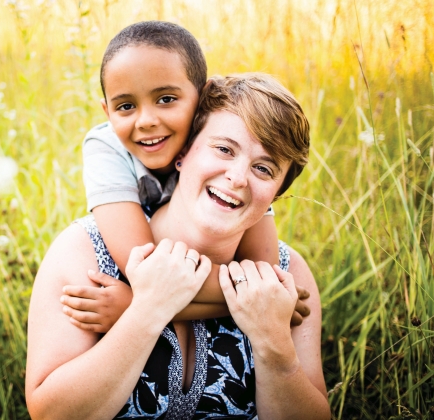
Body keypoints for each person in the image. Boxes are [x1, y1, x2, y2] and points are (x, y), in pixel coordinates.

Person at [25, 74, 329, 419]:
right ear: (182, 152)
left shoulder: (288, 279)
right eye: (224, 149)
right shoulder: (87, 254)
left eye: (263, 168)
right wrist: (146, 310)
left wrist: (275, 348)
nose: (237, 178)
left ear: (276, 193)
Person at [68, 21, 310, 331]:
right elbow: (146, 270)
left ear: (202, 97)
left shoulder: (235, 158)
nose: (146, 121)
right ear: (107, 112)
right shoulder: (106, 147)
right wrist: (260, 299)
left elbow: (263, 275)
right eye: (126, 106)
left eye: (166, 99)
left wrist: (133, 307)